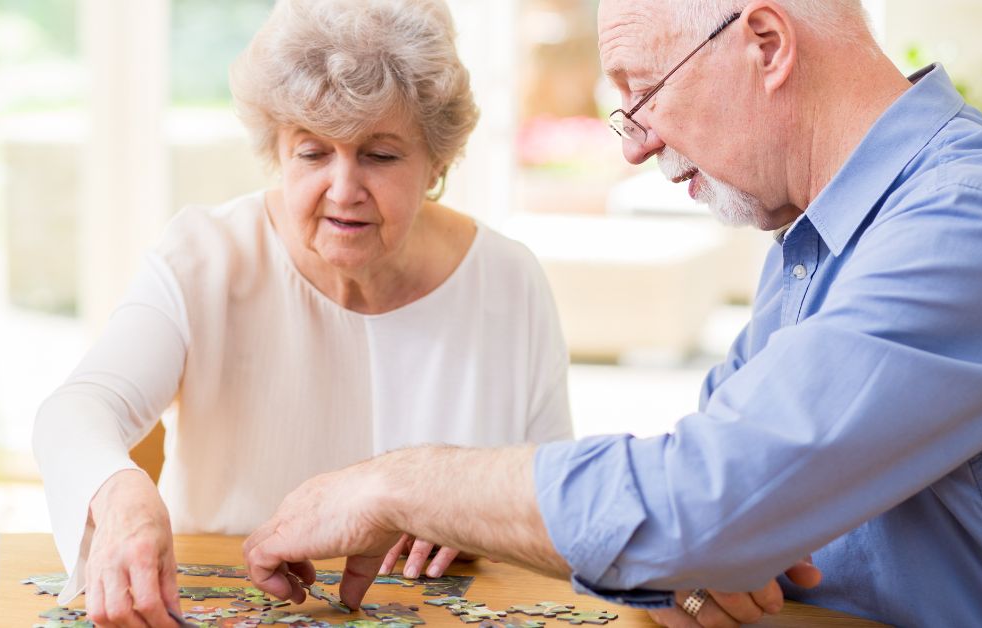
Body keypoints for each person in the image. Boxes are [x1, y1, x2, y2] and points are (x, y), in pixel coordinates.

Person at [242, 0, 982, 626]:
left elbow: (695, 499)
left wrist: (396, 484)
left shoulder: (975, 220)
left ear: (767, 44)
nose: (634, 147)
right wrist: (687, 571)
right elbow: (709, 516)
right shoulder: (811, 239)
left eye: (642, 92)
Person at [32, 0, 575, 626]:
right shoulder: (204, 257)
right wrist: (121, 493)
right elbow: (73, 412)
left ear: (437, 162)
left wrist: (477, 508)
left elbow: (559, 503)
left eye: (381, 154)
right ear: (276, 150)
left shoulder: (508, 280)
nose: (343, 190)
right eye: (313, 153)